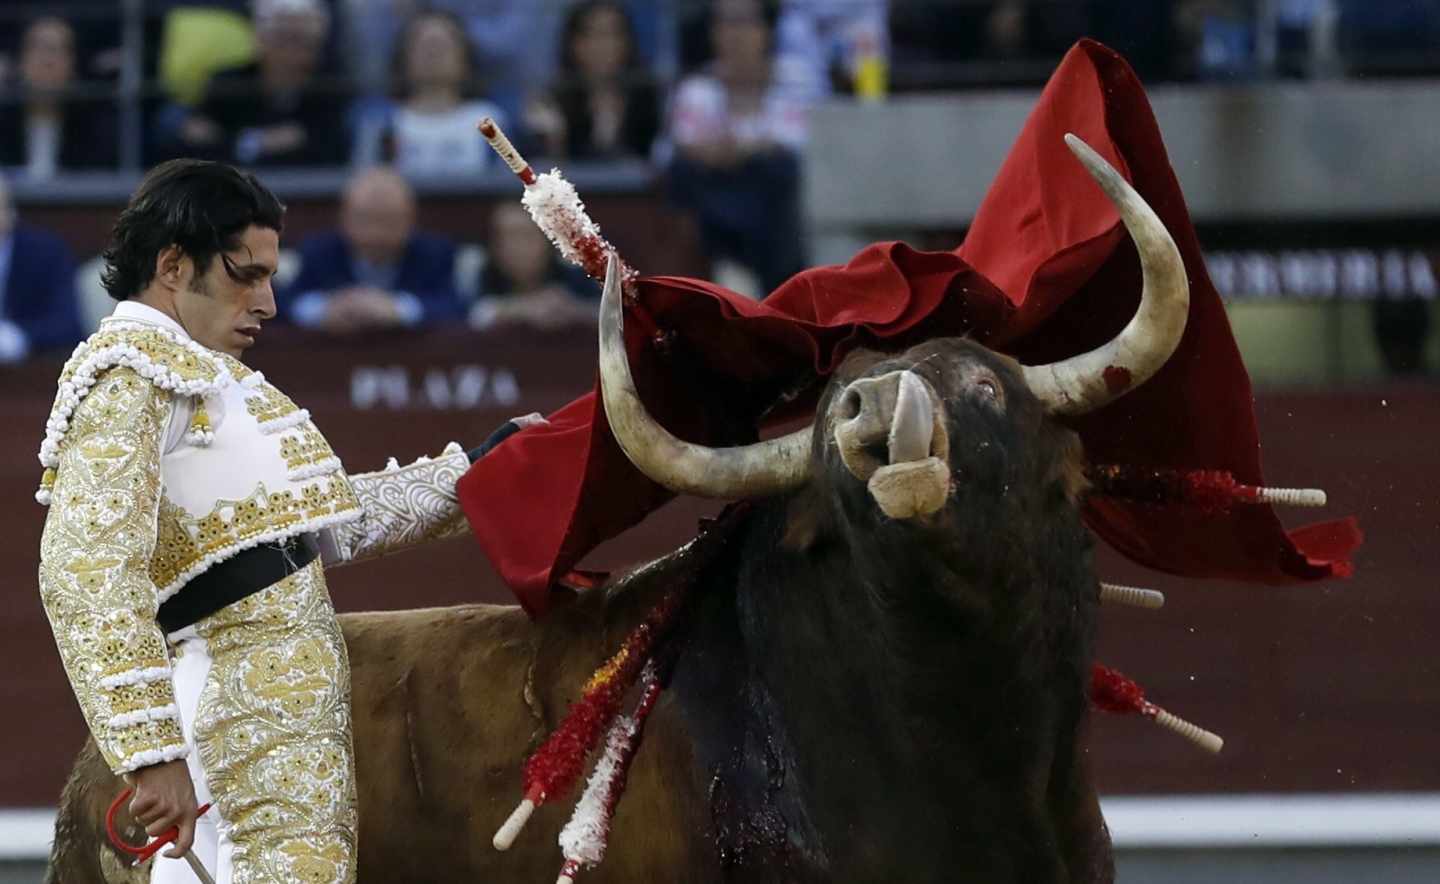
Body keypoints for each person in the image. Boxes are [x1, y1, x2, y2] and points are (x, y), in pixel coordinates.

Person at [35, 159, 531, 884]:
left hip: (278, 732)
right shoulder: (132, 380)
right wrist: (152, 754)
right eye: (246, 274)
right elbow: (86, 572)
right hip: (220, 726)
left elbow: (332, 526)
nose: (267, 302)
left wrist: (482, 470)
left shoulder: (210, 378)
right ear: (173, 266)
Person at [665, 0, 811, 296]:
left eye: (745, 22)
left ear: (767, 30)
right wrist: (733, 150)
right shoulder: (696, 88)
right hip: (715, 192)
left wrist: (742, 149)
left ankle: (749, 268)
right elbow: (681, 146)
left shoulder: (795, 79)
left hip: (774, 197)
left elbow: (802, 142)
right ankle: (734, 262)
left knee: (776, 169)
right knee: (686, 172)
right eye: (725, 22)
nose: (735, 33)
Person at [167, 0, 349, 167]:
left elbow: (330, 149)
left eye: (307, 42)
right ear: (261, 40)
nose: (295, 53)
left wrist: (239, 143)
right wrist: (259, 142)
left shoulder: (329, 87)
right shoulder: (229, 82)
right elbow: (199, 139)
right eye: (285, 39)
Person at [285, 167, 463, 332]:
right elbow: (287, 303)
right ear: (344, 218)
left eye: (387, 221)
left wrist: (397, 309)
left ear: (410, 220)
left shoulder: (434, 253)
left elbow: (454, 306)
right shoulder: (318, 252)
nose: (375, 233)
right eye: (365, 220)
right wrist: (326, 309)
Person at [352, 9, 505, 176]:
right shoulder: (381, 120)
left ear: (465, 56)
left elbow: (508, 186)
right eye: (423, 46)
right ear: (404, 56)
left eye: (443, 46)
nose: (433, 54)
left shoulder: (489, 119)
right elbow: (364, 181)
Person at [524, 1, 662, 161]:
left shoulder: (645, 95)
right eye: (592, 34)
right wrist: (553, 140)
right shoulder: (552, 100)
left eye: (612, 34)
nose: (602, 45)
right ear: (573, 43)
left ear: (627, 42)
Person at [0, 16, 119, 176]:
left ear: (73, 64)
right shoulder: (3, 121)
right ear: (21, 61)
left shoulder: (97, 127)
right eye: (38, 48)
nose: (47, 61)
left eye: (58, 50)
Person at [467, 202, 596, 330]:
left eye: (526, 235)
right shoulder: (476, 273)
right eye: (507, 237)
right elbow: (472, 316)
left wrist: (573, 309)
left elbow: (605, 313)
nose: (517, 247)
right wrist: (522, 308)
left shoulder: (574, 273)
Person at [0, 175, 84, 361]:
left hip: (29, 373)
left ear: (11, 213)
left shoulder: (46, 253)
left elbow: (67, 325)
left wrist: (19, 337)